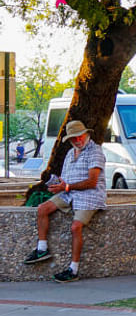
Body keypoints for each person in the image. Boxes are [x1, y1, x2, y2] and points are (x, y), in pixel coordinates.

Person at [23, 121, 107, 283]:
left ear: (86, 134)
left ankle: (73, 269)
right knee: (42, 208)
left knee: (75, 227)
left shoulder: (94, 151)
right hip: (69, 192)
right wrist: (57, 185)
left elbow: (92, 182)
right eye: (73, 138)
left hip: (89, 194)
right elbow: (65, 180)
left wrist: (67, 186)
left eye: (79, 136)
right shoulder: (70, 153)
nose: (77, 140)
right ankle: (42, 248)